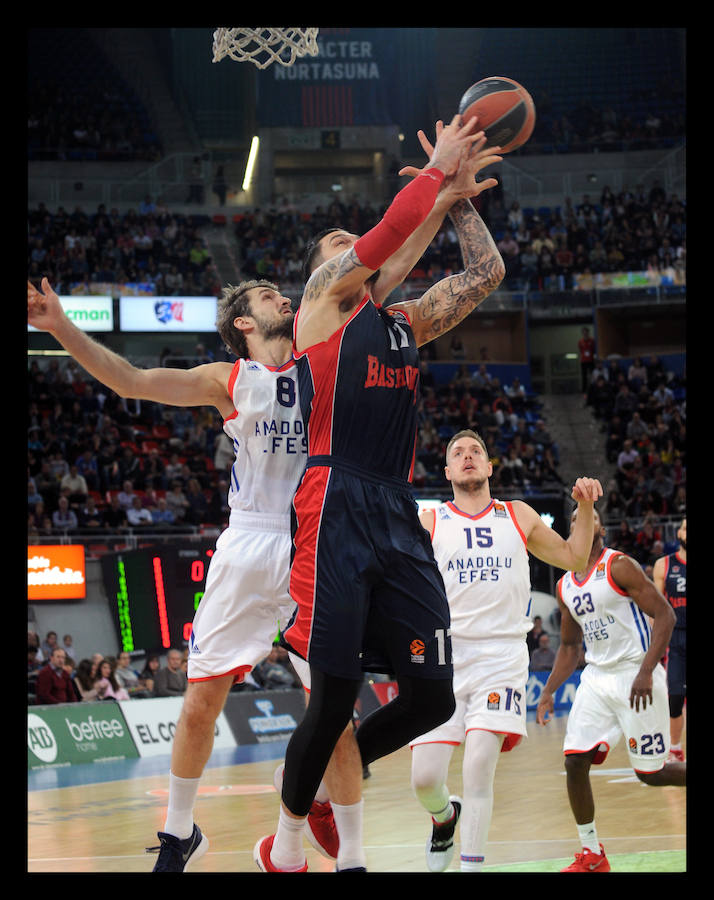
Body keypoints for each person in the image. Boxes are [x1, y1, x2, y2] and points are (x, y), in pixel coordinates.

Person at [29, 157, 480, 873]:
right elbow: (134, 380)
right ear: (245, 319)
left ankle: (347, 854)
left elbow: (387, 265)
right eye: (272, 292)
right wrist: (60, 329)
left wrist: (443, 199)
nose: (286, 295)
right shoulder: (230, 379)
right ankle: (181, 830)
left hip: (325, 536)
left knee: (331, 707)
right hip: (254, 540)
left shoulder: (326, 339)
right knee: (204, 694)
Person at [255, 117, 510, 873]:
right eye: (340, 243)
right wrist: (434, 174)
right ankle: (288, 846)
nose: (350, 246)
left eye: (350, 242)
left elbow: (484, 277)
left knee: (433, 697)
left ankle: (330, 786)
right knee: (331, 698)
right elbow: (391, 233)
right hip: (333, 499)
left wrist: (458, 201)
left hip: (397, 507)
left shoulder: (400, 322)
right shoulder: (320, 307)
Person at [408, 429, 601, 872]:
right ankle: (444, 818)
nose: (467, 456)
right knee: (425, 780)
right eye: (458, 453)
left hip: (501, 659)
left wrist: (586, 508)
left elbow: (574, 558)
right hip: (444, 659)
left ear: (490, 466)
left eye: (476, 451)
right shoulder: (430, 522)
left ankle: (471, 868)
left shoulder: (518, 514)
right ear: (448, 472)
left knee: (479, 768)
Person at [536, 507, 685, 873]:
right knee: (574, 761)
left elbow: (666, 614)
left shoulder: (619, 565)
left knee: (651, 775)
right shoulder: (565, 583)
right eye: (573, 520)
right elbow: (571, 647)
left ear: (601, 525)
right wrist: (549, 690)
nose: (581, 522)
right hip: (597, 679)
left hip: (637, 674)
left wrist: (647, 670)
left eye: (588, 516)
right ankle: (592, 854)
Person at [652, 516, 686, 762]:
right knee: (674, 696)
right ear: (680, 534)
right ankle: (675, 749)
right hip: (676, 640)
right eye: (685, 527)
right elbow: (656, 607)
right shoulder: (664, 565)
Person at [578, 327, 596, 394]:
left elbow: (593, 350)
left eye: (586, 332)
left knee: (592, 375)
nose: (585, 333)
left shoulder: (592, 341)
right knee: (584, 375)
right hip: (583, 361)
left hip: (591, 360)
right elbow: (580, 350)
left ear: (588, 333)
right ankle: (584, 389)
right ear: (582, 333)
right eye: (583, 332)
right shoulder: (580, 342)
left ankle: (593, 387)